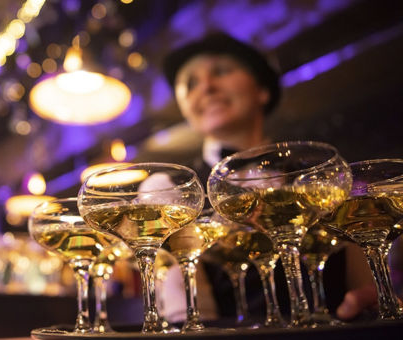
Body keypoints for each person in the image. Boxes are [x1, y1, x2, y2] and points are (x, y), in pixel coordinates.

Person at [160, 32, 376, 322]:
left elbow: (361, 280)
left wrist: (372, 303)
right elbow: (189, 310)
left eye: (221, 71)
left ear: (262, 90)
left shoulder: (324, 175)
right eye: (190, 84)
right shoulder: (171, 189)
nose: (207, 87)